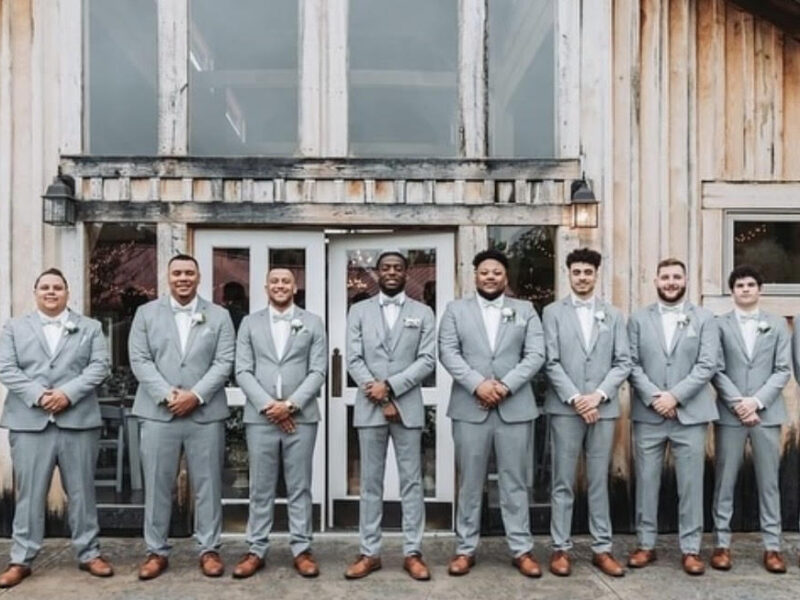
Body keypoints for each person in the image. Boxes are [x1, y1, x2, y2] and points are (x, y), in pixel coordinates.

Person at [0, 268, 113, 588]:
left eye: (58, 288)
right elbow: (6, 367)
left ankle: (89, 553)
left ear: (67, 293)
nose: (51, 292)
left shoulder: (90, 327)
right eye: (45, 287)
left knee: (82, 493)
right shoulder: (13, 328)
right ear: (35, 292)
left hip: (78, 420)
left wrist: (67, 394)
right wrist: (38, 395)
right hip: (30, 422)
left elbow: (99, 367)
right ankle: (21, 558)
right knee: (30, 495)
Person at [438, 249, 545, 577]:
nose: (490, 277)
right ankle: (465, 549)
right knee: (470, 482)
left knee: (514, 482)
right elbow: (447, 351)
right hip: (471, 407)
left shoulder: (525, 309)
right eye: (484, 272)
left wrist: (505, 386)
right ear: (475, 276)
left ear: (506, 277)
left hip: (514, 407)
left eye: (496, 272)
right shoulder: (456, 310)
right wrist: (478, 385)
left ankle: (521, 548)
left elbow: (536, 353)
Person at [128, 254, 234, 580]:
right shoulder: (145, 314)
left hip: (205, 413)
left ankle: (209, 549)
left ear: (199, 277)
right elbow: (139, 359)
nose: (183, 278)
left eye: (189, 273)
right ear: (168, 277)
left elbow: (224, 361)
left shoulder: (219, 315)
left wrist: (196, 395)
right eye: (177, 273)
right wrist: (168, 394)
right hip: (159, 413)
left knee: (208, 485)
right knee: (158, 485)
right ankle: (156, 551)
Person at [344, 251, 436, 581]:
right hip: (370, 407)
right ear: (378, 273)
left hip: (407, 408)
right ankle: (370, 552)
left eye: (398, 268)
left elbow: (427, 360)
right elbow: (353, 358)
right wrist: (376, 391)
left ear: (406, 273)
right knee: (370, 483)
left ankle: (413, 551)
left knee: (412, 483)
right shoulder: (359, 310)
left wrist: (391, 388)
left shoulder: (423, 313)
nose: (392, 272)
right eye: (386, 268)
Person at [232, 267, 326, 579]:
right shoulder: (249, 322)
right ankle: (256, 548)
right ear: (266, 286)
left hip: (302, 417)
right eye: (275, 281)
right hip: (260, 417)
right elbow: (242, 370)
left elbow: (318, 371)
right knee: (261, 486)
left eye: (286, 281)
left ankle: (301, 548)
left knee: (300, 486)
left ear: (295, 286)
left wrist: (290, 406)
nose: (280, 285)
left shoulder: (313, 322)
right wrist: (269, 406)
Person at [627, 258, 719, 575]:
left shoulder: (705, 319)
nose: (670, 282)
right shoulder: (638, 319)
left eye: (676, 277)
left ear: (685, 280)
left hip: (690, 415)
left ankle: (691, 549)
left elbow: (707, 364)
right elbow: (631, 363)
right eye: (665, 277)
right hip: (649, 414)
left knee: (691, 485)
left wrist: (674, 397)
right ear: (655, 281)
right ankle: (645, 544)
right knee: (647, 483)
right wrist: (656, 397)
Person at [542, 248, 630, 577]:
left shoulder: (613, 314)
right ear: (569, 274)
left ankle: (602, 548)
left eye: (587, 272)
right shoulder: (552, 313)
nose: (582, 277)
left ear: (597, 275)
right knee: (562, 481)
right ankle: (560, 548)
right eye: (576, 272)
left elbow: (623, 361)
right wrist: (577, 398)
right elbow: (549, 361)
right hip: (566, 408)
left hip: (603, 409)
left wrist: (598, 396)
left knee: (598, 481)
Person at [710, 265, 791, 573]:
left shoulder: (776, 325)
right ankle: (721, 544)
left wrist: (756, 402)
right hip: (730, 414)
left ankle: (772, 547)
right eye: (739, 285)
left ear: (760, 289)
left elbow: (782, 369)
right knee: (724, 480)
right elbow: (715, 367)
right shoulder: (719, 325)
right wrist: (738, 403)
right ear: (732, 291)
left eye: (750, 284)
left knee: (769, 482)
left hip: (766, 414)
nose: (745, 289)